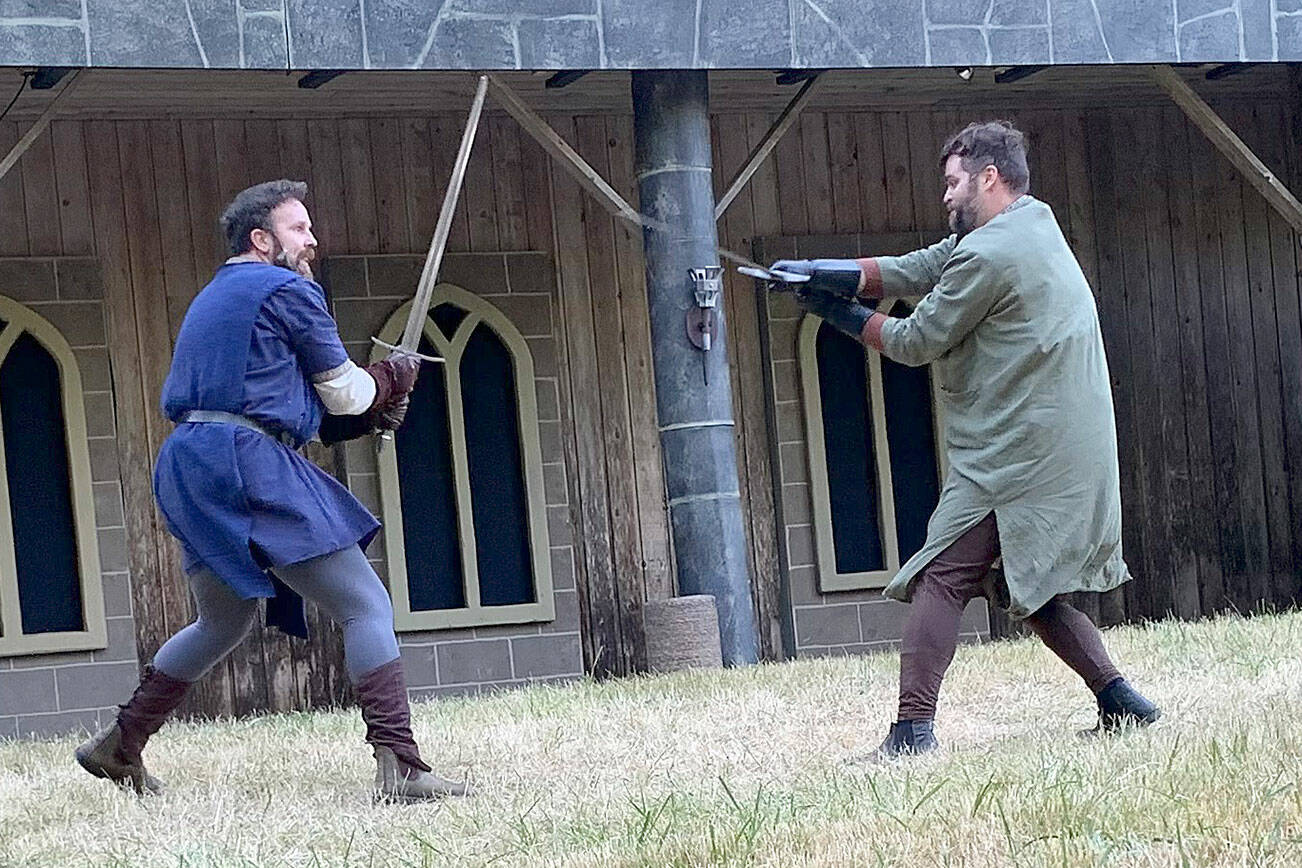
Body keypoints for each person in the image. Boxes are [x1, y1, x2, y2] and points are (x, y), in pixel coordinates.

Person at [771, 121, 1160, 758]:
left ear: (989, 178)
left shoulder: (990, 253)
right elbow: (924, 266)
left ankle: (912, 732)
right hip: (1057, 443)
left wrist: (835, 311)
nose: (946, 195)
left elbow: (914, 341)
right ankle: (1121, 701)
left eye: (954, 183)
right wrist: (828, 271)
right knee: (1025, 588)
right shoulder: (1032, 221)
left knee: (943, 577)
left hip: (1023, 455)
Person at [75, 180, 468, 801]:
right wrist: (391, 379)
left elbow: (283, 401)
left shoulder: (214, 298)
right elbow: (346, 393)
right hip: (246, 459)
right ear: (262, 240)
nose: (312, 241)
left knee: (220, 621)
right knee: (366, 606)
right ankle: (401, 768)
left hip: (190, 462)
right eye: (298, 229)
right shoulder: (288, 290)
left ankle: (119, 746)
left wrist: (366, 408)